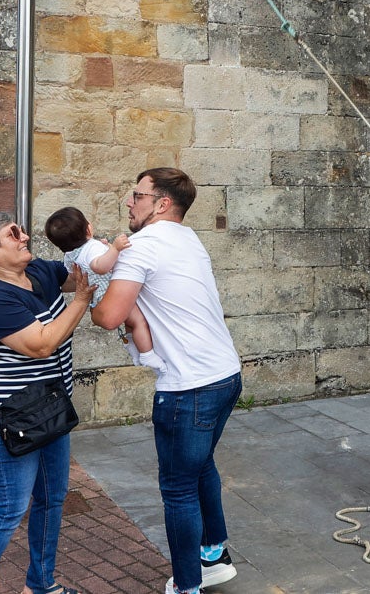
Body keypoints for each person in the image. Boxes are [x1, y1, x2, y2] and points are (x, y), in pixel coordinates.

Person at [91, 168, 243, 594]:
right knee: (201, 468)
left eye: (136, 195)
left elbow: (109, 317)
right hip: (224, 376)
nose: (128, 202)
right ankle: (213, 554)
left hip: (188, 387)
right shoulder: (188, 238)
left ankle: (188, 586)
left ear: (160, 203)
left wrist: (88, 296)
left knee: (177, 488)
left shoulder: (142, 245)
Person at [0, 212, 96, 594]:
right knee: (7, 512)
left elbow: (82, 269)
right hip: (6, 418)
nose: (25, 237)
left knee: (52, 500)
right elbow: (41, 344)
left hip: (51, 407)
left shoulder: (39, 271)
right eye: (12, 234)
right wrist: (82, 300)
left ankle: (40, 585)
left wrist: (96, 246)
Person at [43, 206, 165, 373]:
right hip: (112, 293)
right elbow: (99, 267)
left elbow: (77, 273)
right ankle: (147, 353)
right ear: (89, 228)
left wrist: (106, 250)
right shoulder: (92, 247)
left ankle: (134, 349)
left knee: (130, 323)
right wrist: (114, 249)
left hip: (100, 296)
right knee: (139, 322)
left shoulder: (70, 255)